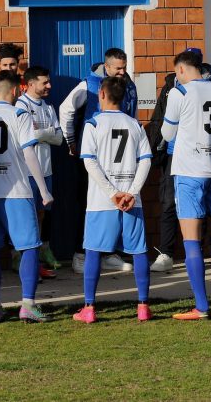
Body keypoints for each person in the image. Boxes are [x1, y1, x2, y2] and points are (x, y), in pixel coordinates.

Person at [162, 50, 211, 320]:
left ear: (182, 69)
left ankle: (202, 307)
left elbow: (167, 133)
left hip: (189, 172)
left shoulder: (179, 92)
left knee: (191, 239)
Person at [73, 76, 153, 323]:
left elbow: (89, 161)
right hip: (131, 200)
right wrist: (132, 191)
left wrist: (111, 193)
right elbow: (146, 161)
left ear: (102, 94)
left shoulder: (93, 124)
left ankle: (89, 308)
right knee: (138, 251)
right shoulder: (135, 124)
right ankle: (143, 306)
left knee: (93, 251)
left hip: (102, 201)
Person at [0, 70, 53, 324]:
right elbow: (29, 153)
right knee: (30, 247)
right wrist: (43, 190)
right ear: (16, 90)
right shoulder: (20, 114)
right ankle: (28, 305)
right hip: (17, 191)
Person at [59, 48, 138, 274]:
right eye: (118, 68)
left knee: (116, 203)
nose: (122, 72)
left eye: (124, 67)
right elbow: (65, 110)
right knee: (88, 204)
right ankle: (80, 253)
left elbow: (133, 116)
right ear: (107, 66)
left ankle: (109, 253)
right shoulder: (89, 84)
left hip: (119, 157)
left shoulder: (129, 86)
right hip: (93, 157)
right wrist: (71, 141)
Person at [16, 66, 63, 272]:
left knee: (42, 214)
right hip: (26, 172)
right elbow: (25, 137)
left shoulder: (48, 107)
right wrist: (47, 132)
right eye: (45, 82)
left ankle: (41, 252)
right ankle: (21, 257)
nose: (49, 86)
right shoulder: (21, 105)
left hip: (46, 170)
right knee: (27, 216)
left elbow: (59, 138)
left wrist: (39, 133)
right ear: (31, 84)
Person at [146, 70, 178, 272]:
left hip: (200, 158)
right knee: (168, 202)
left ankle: (201, 251)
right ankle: (166, 253)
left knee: (202, 206)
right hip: (172, 155)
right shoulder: (170, 89)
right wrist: (156, 150)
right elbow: (159, 120)